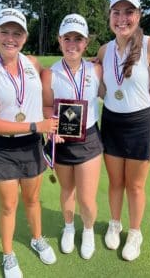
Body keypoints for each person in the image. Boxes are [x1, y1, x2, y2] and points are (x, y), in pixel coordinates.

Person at [0, 8, 59, 278]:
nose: (10, 38)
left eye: (17, 33)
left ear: (25, 37)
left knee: (33, 200)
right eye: (5, 32)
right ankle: (8, 255)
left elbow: (54, 82)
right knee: (9, 206)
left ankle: (36, 238)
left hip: (32, 145)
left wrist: (91, 63)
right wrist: (37, 125)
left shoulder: (33, 64)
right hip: (3, 149)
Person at [97, 0, 150, 261]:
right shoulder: (104, 50)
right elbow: (104, 89)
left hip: (141, 124)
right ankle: (115, 224)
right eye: (116, 12)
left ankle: (135, 232)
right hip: (112, 122)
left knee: (135, 186)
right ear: (110, 16)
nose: (122, 18)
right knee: (115, 182)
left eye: (129, 12)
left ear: (138, 15)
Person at [41, 13, 104, 260]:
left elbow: (111, 91)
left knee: (87, 199)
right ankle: (69, 227)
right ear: (59, 40)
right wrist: (51, 128)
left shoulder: (96, 70)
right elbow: (47, 107)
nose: (72, 44)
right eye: (67, 38)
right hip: (62, 141)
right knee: (67, 191)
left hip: (89, 138)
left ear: (86, 42)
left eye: (78, 38)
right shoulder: (51, 74)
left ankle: (87, 230)